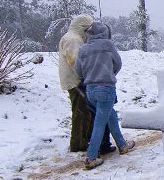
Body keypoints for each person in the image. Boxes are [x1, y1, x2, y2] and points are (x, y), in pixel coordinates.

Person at [74, 21, 135, 170]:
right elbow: (118, 63)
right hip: (105, 89)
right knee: (100, 123)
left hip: (90, 90)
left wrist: (91, 76)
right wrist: (108, 73)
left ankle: (122, 145)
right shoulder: (107, 46)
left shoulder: (83, 49)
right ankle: (91, 157)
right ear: (104, 33)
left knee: (110, 116)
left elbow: (78, 70)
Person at [58, 15, 113, 154]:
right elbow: (76, 62)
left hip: (75, 79)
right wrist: (88, 75)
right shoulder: (74, 39)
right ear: (82, 27)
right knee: (80, 112)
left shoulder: (72, 37)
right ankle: (78, 143)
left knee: (85, 111)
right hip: (75, 81)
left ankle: (85, 139)